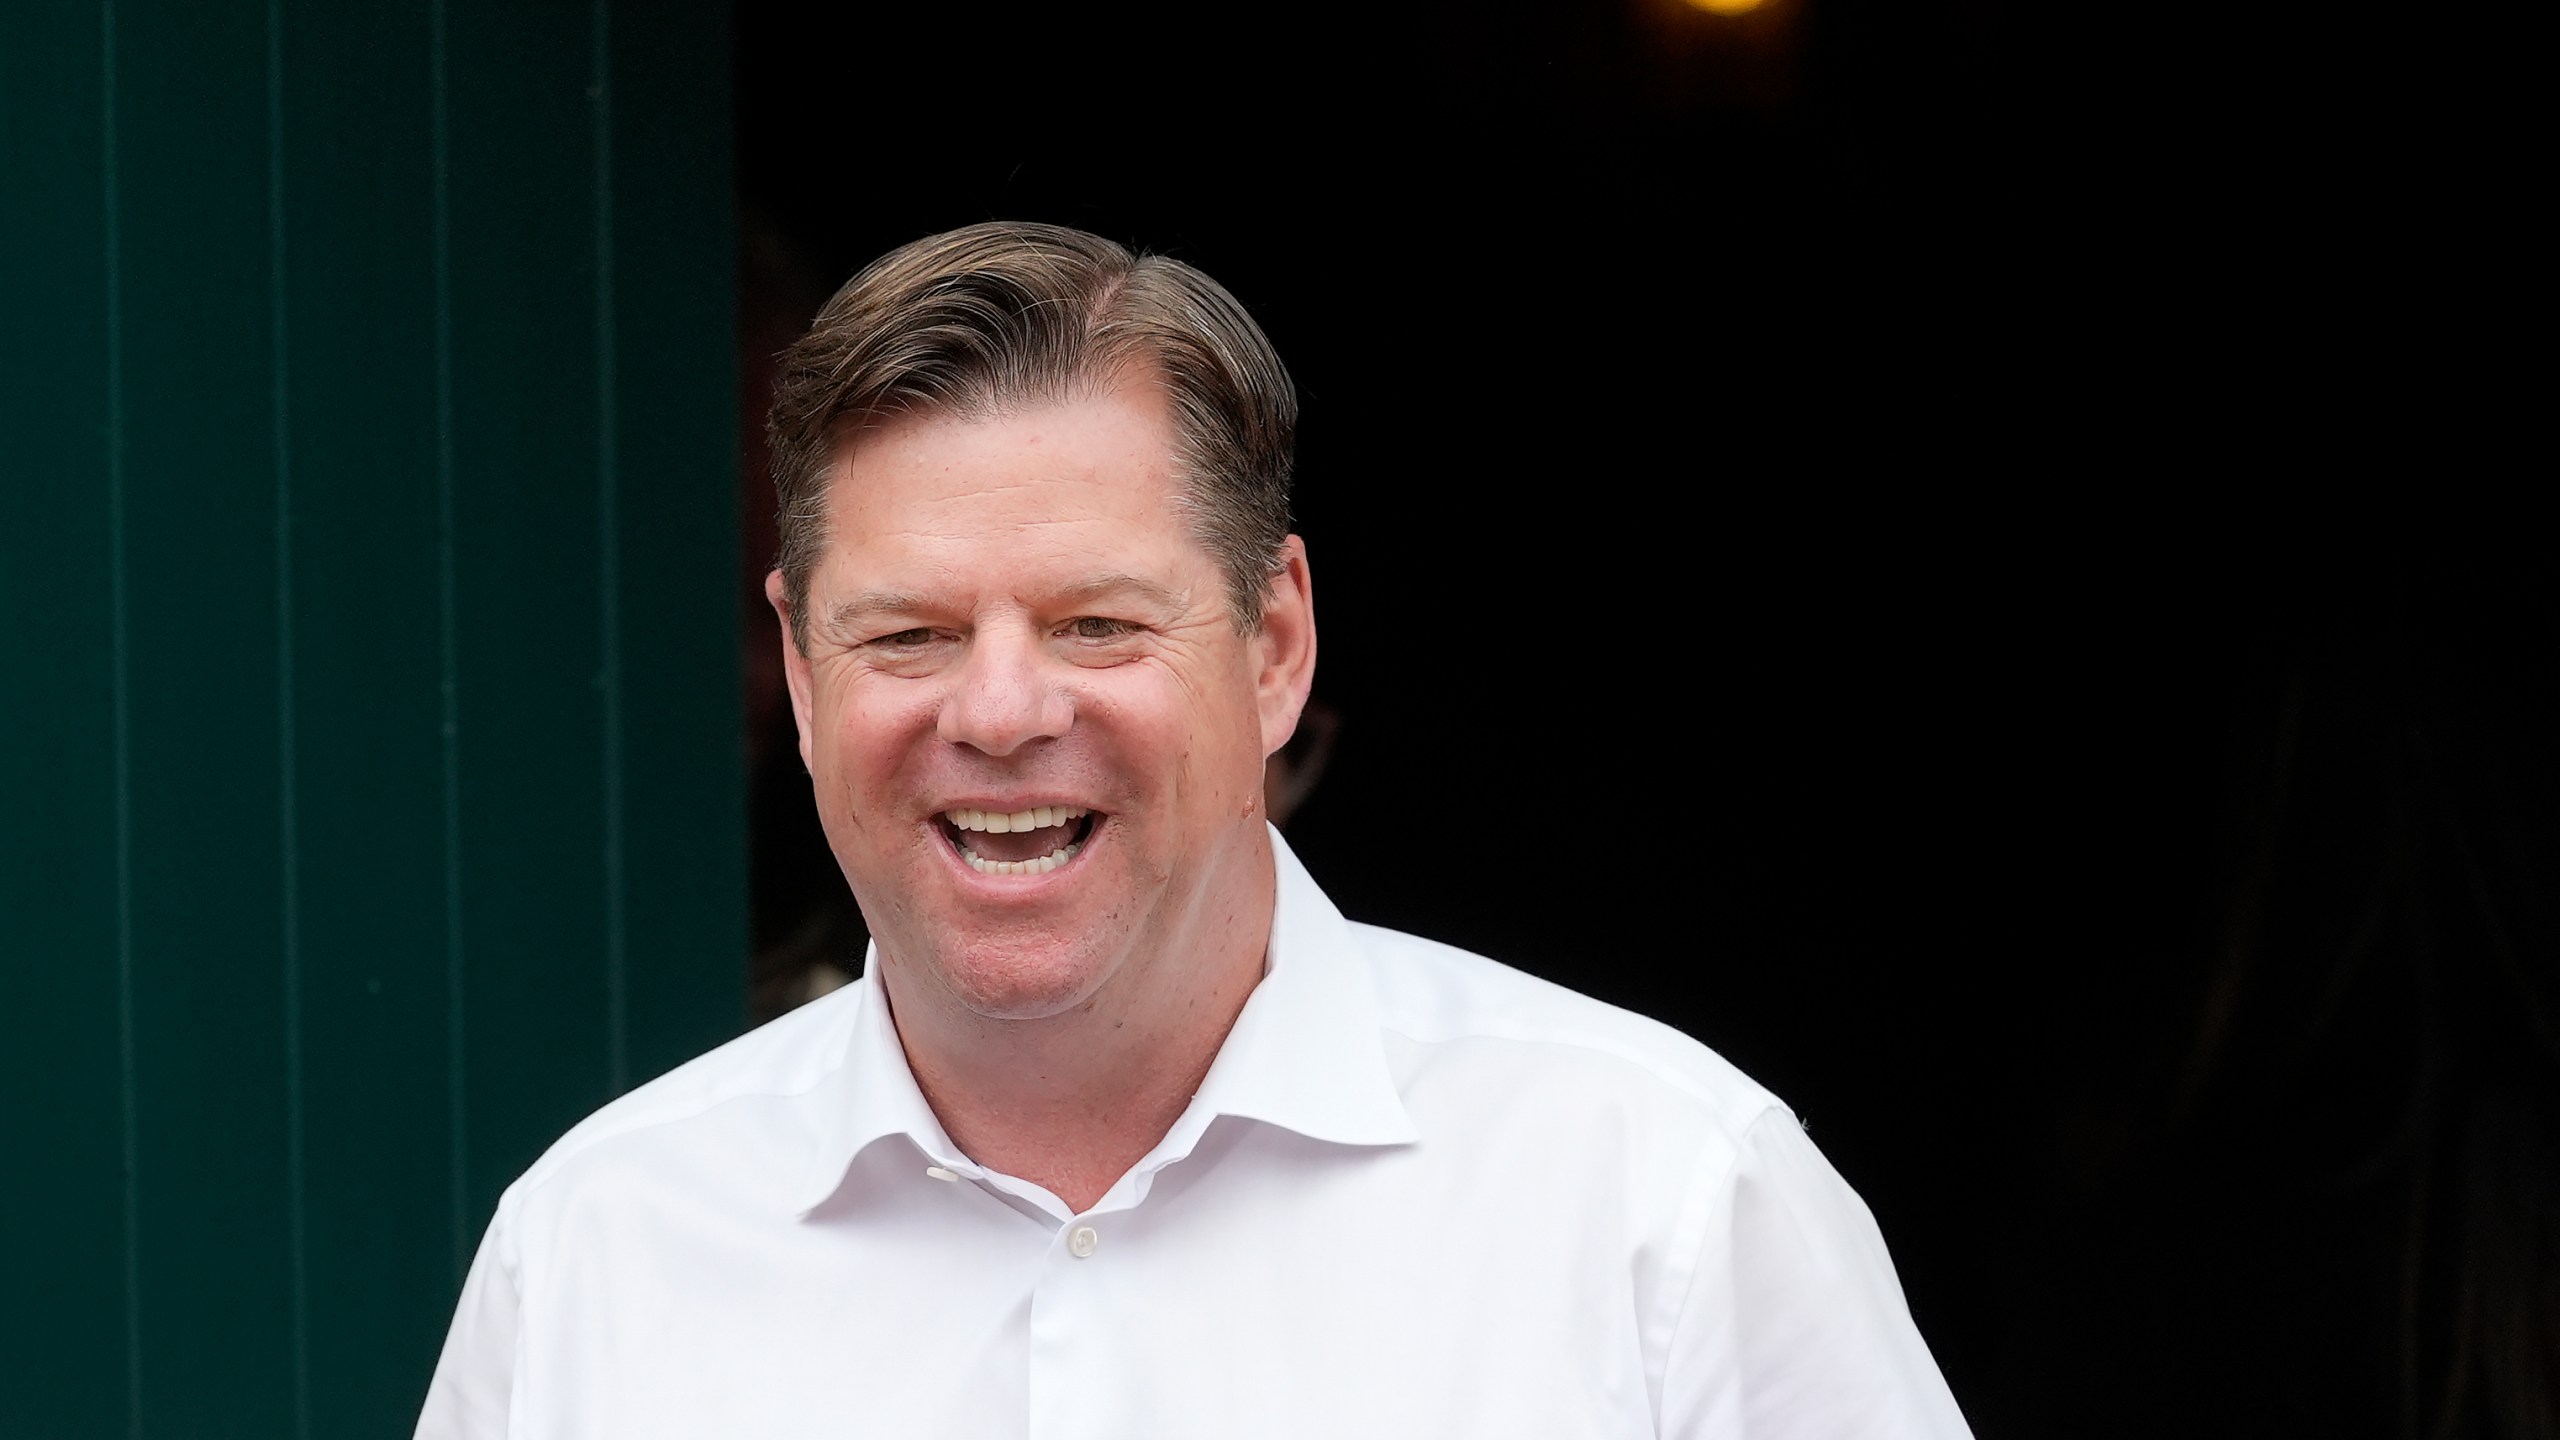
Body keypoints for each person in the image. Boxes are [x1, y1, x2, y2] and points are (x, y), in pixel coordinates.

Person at [415, 221, 1973, 1438]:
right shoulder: (593, 1254)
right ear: (804, 678)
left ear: (1277, 643)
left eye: (1098, 621)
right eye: (907, 635)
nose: (1004, 712)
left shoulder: (1657, 1207)